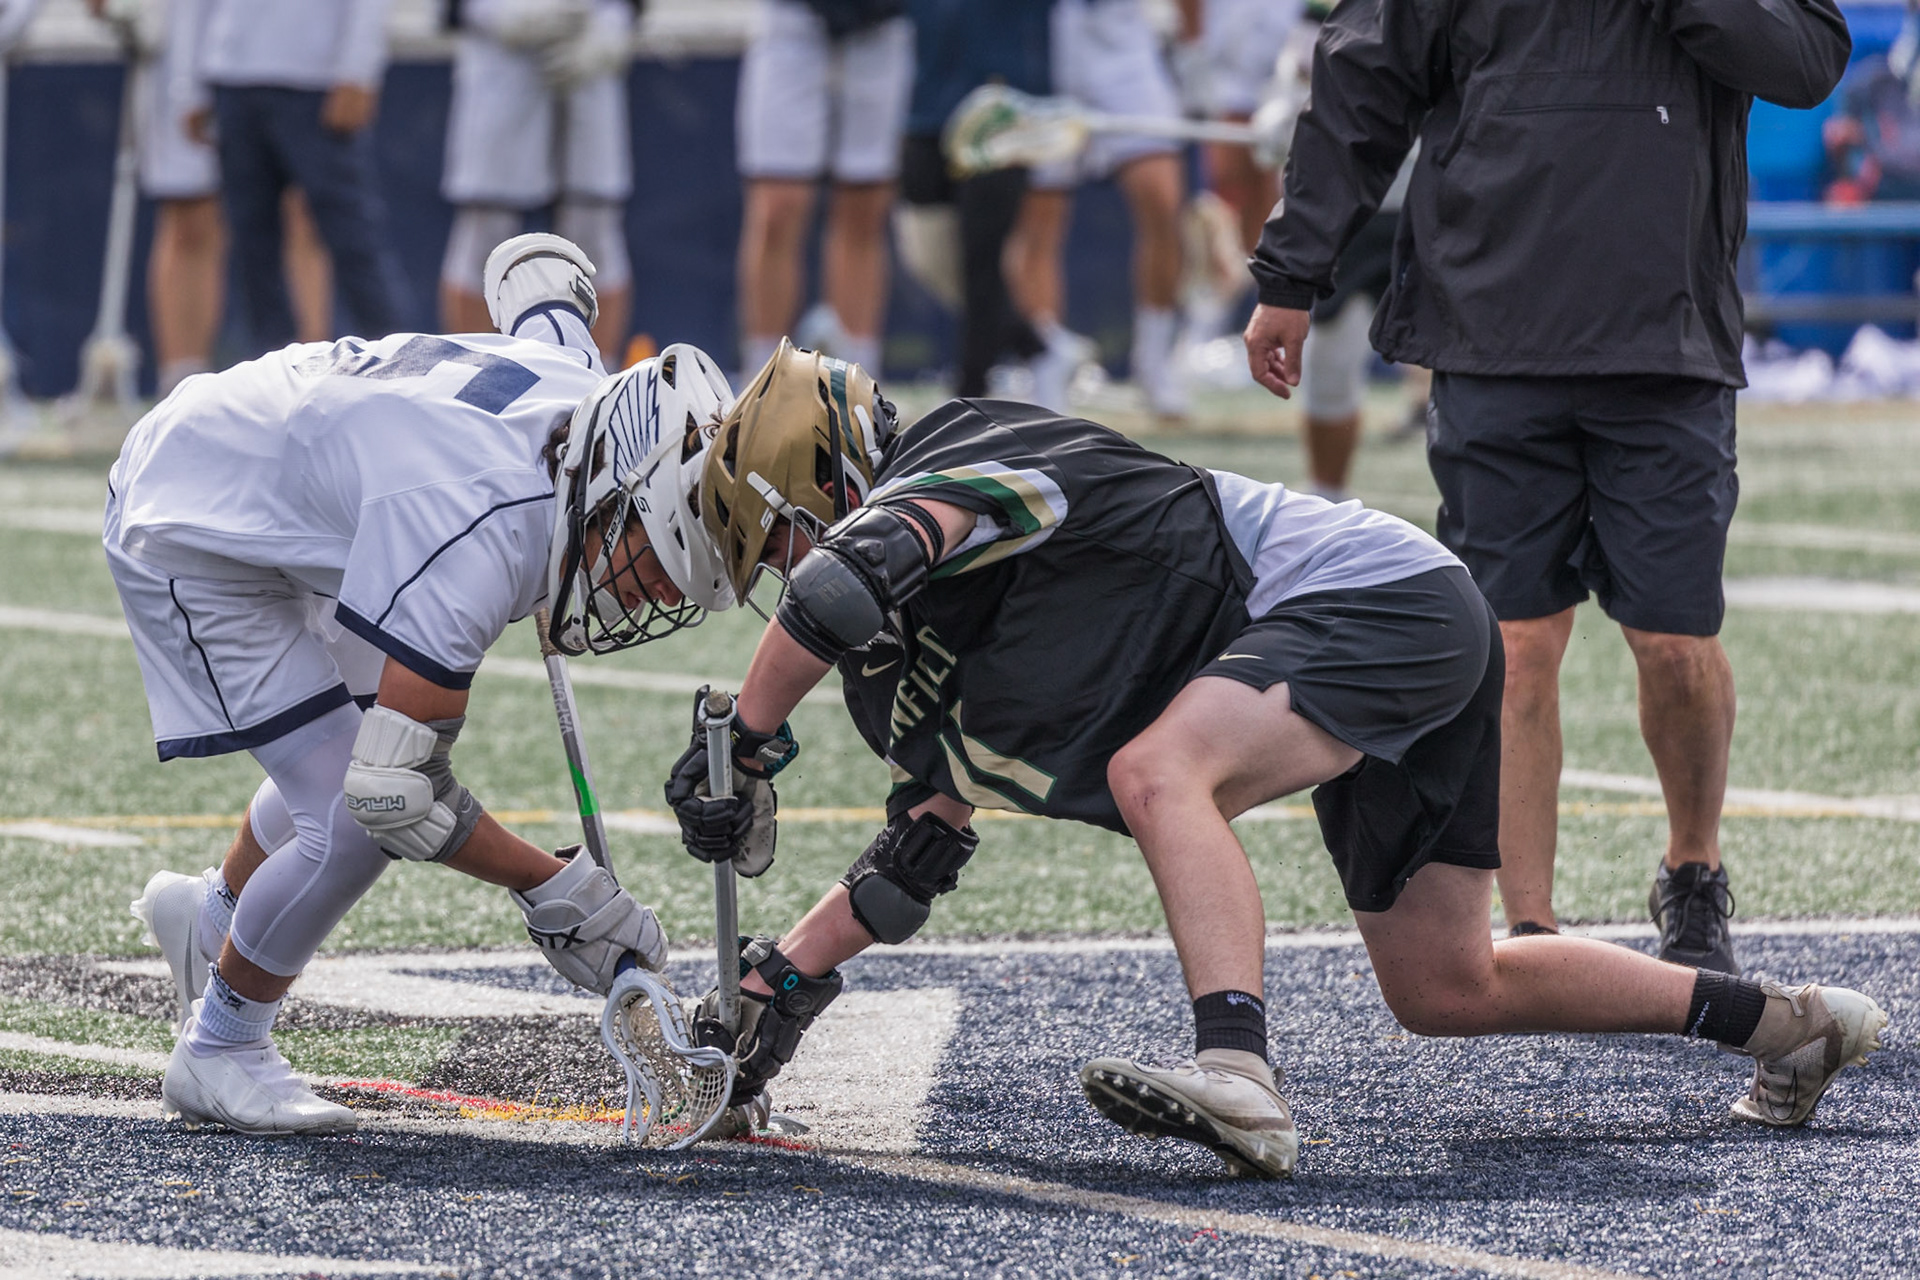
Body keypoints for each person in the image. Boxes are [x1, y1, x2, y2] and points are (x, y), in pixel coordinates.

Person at [660, 343, 1887, 1178]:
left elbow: (849, 575)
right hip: (1358, 640)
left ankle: (1238, 1069)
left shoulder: (963, 453)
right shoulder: (898, 672)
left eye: (777, 537)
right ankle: (1785, 1023)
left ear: (829, 480)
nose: (778, 571)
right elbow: (913, 855)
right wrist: (784, 979)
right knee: (1447, 983)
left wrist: (748, 739)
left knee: (1158, 772)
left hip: (1382, 595)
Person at [1243, 0, 1852, 967]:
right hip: (1489, 336)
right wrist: (1291, 274)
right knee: (1515, 648)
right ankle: (1531, 929)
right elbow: (1360, 88)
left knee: (1676, 643)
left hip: (1665, 345)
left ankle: (1693, 874)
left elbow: (1807, 61)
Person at [113, 235, 731, 1135]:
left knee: (358, 743)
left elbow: (534, 282)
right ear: (614, 494)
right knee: (353, 816)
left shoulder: (590, 405)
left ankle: (210, 923)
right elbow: (395, 796)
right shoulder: (476, 538)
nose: (657, 594)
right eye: (659, 560)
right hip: (188, 521)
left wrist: (558, 294)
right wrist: (554, 890)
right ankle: (221, 1047)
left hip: (264, 468)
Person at [87, 0, 334, 396]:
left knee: (297, 213)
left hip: (288, 53)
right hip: (180, 49)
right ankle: (184, 386)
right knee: (191, 217)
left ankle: (310, 381)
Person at [189, 0, 409, 354]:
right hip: (233, 80)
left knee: (351, 234)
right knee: (251, 239)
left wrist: (358, 71)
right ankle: (269, 361)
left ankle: (396, 357)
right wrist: (191, 86)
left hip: (317, 81)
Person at [1004, 0, 1187, 418]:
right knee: (1038, 222)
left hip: (1121, 40)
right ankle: (1046, 370)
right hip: (1040, 40)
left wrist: (1190, 48)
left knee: (1161, 199)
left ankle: (1155, 359)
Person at [439, 0, 638, 366]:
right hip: (502, 65)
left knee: (592, 229)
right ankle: (470, 368)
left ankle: (600, 374)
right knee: (487, 230)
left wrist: (612, 30)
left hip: (587, 61)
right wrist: (502, 15)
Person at [734, 0, 913, 380]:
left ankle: (858, 380)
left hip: (879, 24)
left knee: (864, 210)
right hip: (792, 20)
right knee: (778, 207)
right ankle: (763, 378)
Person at [898, 0, 1057, 400]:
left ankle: (971, 388)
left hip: (1001, 109)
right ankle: (1038, 347)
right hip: (927, 103)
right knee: (927, 254)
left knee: (980, 260)